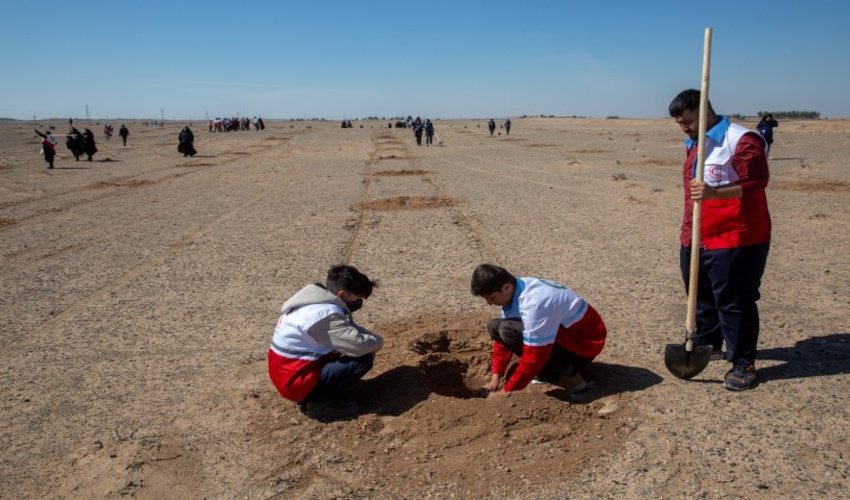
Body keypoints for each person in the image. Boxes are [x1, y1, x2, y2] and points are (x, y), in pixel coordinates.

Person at [669, 89, 771, 391]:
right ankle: (709, 343)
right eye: (680, 123)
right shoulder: (695, 143)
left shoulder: (741, 140)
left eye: (688, 121)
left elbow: (755, 183)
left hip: (737, 235)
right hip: (696, 233)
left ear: (705, 112)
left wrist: (715, 194)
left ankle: (743, 362)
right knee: (699, 293)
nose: (684, 128)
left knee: (734, 300)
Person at [471, 264, 607, 398]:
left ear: (506, 287)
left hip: (585, 345)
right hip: (567, 335)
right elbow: (501, 342)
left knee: (509, 330)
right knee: (495, 326)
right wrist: (495, 380)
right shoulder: (517, 288)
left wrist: (506, 393)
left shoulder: (534, 303)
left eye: (492, 298)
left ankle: (569, 376)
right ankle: (554, 369)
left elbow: (534, 356)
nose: (489, 303)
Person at [268, 265, 384, 419]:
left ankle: (323, 390)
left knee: (351, 347)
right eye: (357, 298)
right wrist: (378, 341)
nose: (358, 303)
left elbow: (350, 330)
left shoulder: (311, 303)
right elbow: (359, 345)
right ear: (342, 295)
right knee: (364, 357)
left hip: (288, 374)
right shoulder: (324, 315)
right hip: (296, 382)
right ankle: (320, 404)